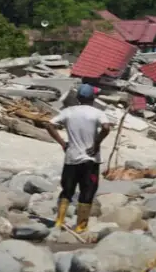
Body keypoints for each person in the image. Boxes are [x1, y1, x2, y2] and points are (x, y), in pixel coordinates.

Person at [45, 83, 113, 233]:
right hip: (90, 159)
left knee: (67, 191)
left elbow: (49, 125)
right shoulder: (97, 112)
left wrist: (63, 143)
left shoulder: (68, 111)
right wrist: (96, 143)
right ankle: (81, 226)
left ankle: (59, 221)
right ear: (93, 97)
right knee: (87, 192)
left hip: (71, 158)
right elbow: (106, 128)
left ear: (78, 98)